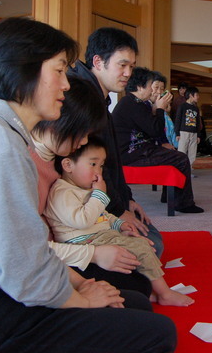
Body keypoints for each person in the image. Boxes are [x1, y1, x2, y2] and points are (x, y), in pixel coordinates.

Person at [0, 17, 176, 353]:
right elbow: (25, 269)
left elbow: (28, 253)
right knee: (156, 332)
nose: (66, 85)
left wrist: (79, 284)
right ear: (21, 71)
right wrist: (81, 298)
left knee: (134, 305)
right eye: (59, 71)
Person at [32, 76, 153, 297]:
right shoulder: (24, 163)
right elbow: (25, 250)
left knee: (142, 274)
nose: (85, 142)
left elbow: (99, 207)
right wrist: (94, 254)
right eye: (83, 133)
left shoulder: (56, 156)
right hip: (57, 255)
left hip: (70, 248)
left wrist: (117, 225)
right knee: (138, 292)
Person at [44, 138, 195, 307]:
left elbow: (103, 215)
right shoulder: (63, 192)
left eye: (101, 166)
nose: (98, 173)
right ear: (68, 165)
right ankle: (164, 293)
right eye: (92, 164)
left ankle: (149, 288)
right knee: (141, 248)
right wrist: (99, 195)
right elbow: (83, 221)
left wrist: (118, 224)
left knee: (141, 244)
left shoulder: (83, 188)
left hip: (98, 236)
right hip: (84, 241)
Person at [69, 27, 166, 252]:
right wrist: (119, 210)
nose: (128, 73)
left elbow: (112, 162)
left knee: (150, 236)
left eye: (131, 66)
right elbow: (90, 170)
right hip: (84, 209)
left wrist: (127, 201)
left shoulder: (100, 98)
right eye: (122, 65)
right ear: (98, 61)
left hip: (106, 203)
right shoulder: (81, 99)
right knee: (152, 247)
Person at [111, 67, 204, 214]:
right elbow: (156, 130)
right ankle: (183, 203)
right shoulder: (132, 104)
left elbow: (151, 129)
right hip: (131, 154)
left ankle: (171, 197)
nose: (153, 91)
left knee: (174, 155)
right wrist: (159, 109)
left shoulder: (132, 102)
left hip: (137, 150)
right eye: (150, 86)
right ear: (140, 86)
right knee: (181, 158)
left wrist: (155, 110)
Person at [175, 86, 202, 170]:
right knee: (182, 151)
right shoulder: (182, 106)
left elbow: (198, 122)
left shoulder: (196, 108)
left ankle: (188, 169)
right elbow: (178, 120)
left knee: (192, 153)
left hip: (194, 133)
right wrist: (177, 133)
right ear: (191, 95)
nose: (198, 97)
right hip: (183, 132)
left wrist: (198, 135)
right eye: (196, 95)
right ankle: (180, 169)